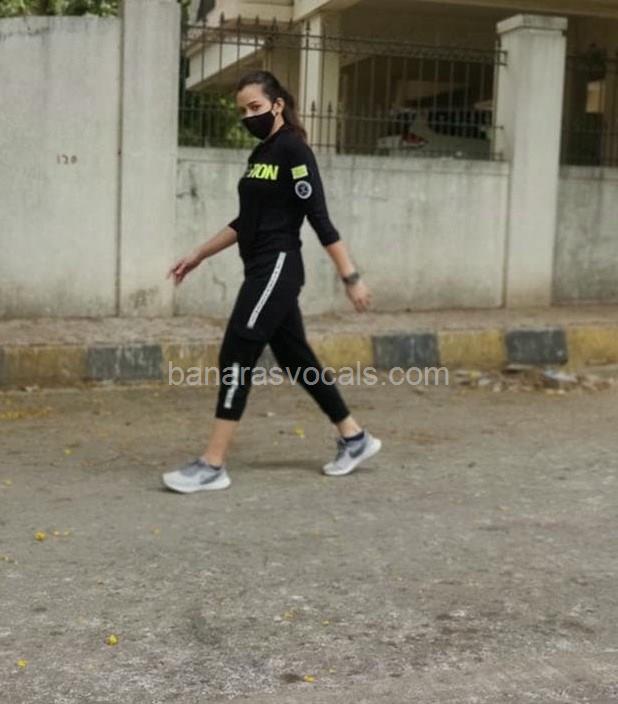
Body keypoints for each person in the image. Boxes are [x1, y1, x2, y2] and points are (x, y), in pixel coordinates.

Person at [162, 69, 382, 493]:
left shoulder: (294, 150)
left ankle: (212, 464)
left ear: (278, 105)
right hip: (260, 268)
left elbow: (319, 218)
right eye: (243, 111)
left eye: (256, 107)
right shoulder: (261, 154)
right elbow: (245, 221)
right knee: (296, 358)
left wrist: (351, 276)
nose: (249, 116)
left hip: (278, 265)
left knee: (238, 349)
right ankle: (354, 437)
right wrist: (198, 255)